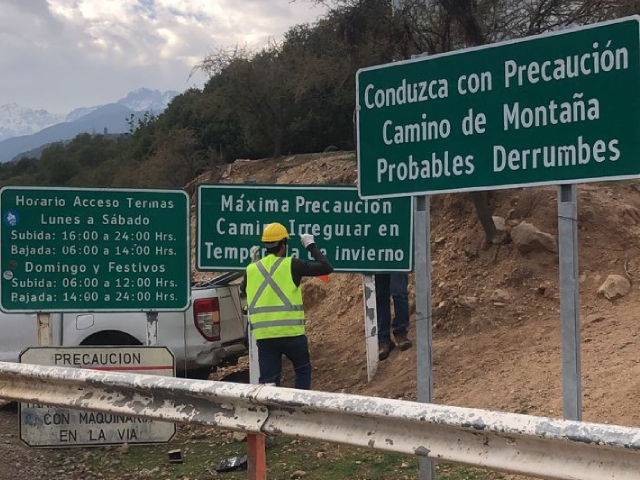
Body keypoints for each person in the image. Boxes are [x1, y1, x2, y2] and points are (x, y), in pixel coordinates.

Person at [242, 222, 333, 389]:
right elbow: (326, 267)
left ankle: (270, 412)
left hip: (265, 337)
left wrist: (252, 264)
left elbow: (243, 290)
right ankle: (298, 408)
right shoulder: (292, 264)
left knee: (268, 382)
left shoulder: (252, 269)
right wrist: (310, 245)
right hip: (291, 334)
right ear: (283, 245)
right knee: (302, 369)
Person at [375, 273, 412, 360]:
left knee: (399, 292)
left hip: (398, 261)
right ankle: (383, 339)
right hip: (378, 261)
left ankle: (401, 333)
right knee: (380, 295)